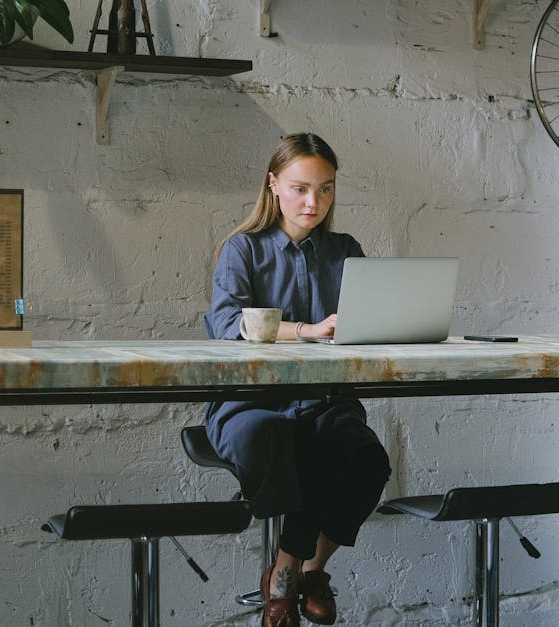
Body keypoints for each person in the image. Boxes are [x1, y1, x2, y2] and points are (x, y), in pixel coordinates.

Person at [203, 133, 391, 627]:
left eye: (325, 189)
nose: (314, 202)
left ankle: (302, 569)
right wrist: (308, 331)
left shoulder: (345, 251)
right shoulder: (243, 249)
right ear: (273, 185)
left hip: (326, 401)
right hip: (251, 407)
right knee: (302, 445)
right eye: (300, 188)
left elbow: (369, 325)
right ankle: (288, 578)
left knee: (369, 460)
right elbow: (228, 326)